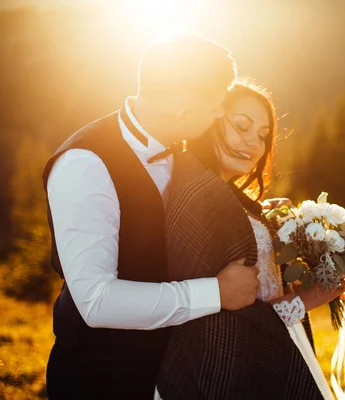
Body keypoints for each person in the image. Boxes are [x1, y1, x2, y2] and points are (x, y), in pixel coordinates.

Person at [42, 34, 261, 399]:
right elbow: (97, 302)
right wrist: (216, 293)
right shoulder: (85, 165)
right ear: (183, 113)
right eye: (217, 105)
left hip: (177, 371)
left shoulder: (184, 148)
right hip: (103, 378)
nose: (221, 113)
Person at [155, 81, 344, 400]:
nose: (253, 143)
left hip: (256, 362)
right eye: (242, 126)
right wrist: (305, 300)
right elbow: (210, 321)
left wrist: (266, 220)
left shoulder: (222, 194)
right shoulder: (200, 195)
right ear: (211, 120)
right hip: (223, 372)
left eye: (262, 135)